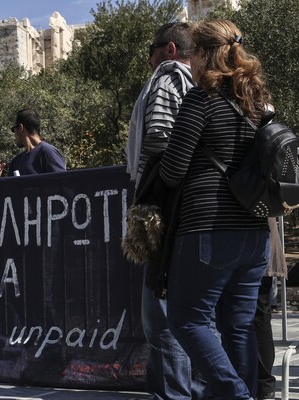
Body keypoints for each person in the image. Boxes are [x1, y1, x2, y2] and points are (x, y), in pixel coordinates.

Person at [159, 20, 272, 399]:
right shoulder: (258, 102)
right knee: (238, 327)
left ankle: (237, 396)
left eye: (192, 53)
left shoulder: (200, 100)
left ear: (204, 54)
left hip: (209, 228)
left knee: (186, 319)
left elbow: (173, 170)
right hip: (256, 232)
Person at [125, 22, 203, 400]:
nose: (149, 59)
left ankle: (175, 395)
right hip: (188, 214)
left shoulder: (167, 79)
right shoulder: (202, 82)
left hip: (165, 214)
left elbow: (159, 140)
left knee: (161, 316)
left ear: (170, 49)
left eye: (152, 50)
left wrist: (153, 196)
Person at [254, 218, 287, 400]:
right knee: (259, 318)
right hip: (262, 243)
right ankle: (264, 388)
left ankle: (263, 386)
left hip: (254, 246)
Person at [0, 108, 66, 177]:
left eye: (13, 129)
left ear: (20, 127)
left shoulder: (48, 153)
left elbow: (63, 185)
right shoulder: (16, 162)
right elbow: (8, 190)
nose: (14, 134)